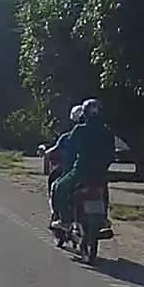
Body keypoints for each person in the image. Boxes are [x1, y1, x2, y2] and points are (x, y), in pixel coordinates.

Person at [50, 98, 116, 231]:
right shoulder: (107, 132)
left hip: (81, 171)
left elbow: (70, 153)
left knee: (59, 187)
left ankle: (65, 220)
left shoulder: (80, 130)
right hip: (99, 173)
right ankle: (103, 218)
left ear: (85, 114)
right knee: (103, 191)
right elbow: (111, 154)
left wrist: (66, 171)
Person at [46, 104, 86, 196]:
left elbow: (54, 150)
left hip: (72, 170)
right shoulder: (99, 134)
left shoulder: (68, 136)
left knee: (57, 185)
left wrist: (46, 153)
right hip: (95, 172)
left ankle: (57, 204)